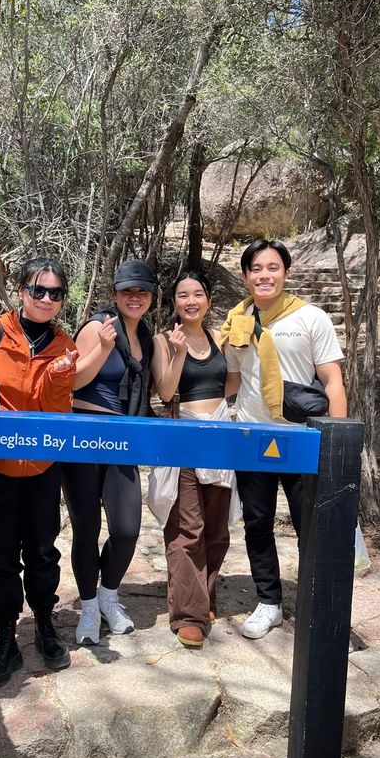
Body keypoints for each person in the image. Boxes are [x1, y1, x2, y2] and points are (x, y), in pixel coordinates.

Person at [221, 239, 346, 639]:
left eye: (272, 267)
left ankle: (318, 601)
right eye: (256, 268)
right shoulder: (237, 320)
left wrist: (336, 441)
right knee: (257, 523)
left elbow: (332, 380)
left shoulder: (312, 318)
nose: (264, 275)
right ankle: (269, 601)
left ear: (286, 272)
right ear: (245, 276)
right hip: (253, 434)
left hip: (303, 438)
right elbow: (234, 379)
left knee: (312, 521)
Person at [0, 258, 78, 688]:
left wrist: (59, 378)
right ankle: (6, 638)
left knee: (42, 551)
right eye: (39, 291)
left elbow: (60, 412)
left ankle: (45, 625)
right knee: (0, 556)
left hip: (41, 469)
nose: (46, 300)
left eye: (55, 293)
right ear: (20, 291)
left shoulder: (65, 344)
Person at [62, 259, 155, 646]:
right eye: (127, 291)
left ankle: (108, 595)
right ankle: (87, 607)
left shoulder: (147, 337)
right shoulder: (96, 326)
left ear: (151, 297)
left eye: (142, 292)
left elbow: (159, 390)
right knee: (86, 528)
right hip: (84, 437)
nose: (134, 298)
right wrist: (102, 347)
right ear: (115, 294)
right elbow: (74, 379)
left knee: (127, 528)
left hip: (123, 440)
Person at [150, 271, 237, 648]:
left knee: (216, 528)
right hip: (183, 436)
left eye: (197, 294)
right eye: (183, 295)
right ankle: (188, 615)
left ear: (208, 301)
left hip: (220, 435)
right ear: (174, 303)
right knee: (188, 528)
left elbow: (231, 382)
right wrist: (180, 351)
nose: (191, 301)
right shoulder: (162, 341)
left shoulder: (221, 338)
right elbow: (166, 390)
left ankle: (206, 598)